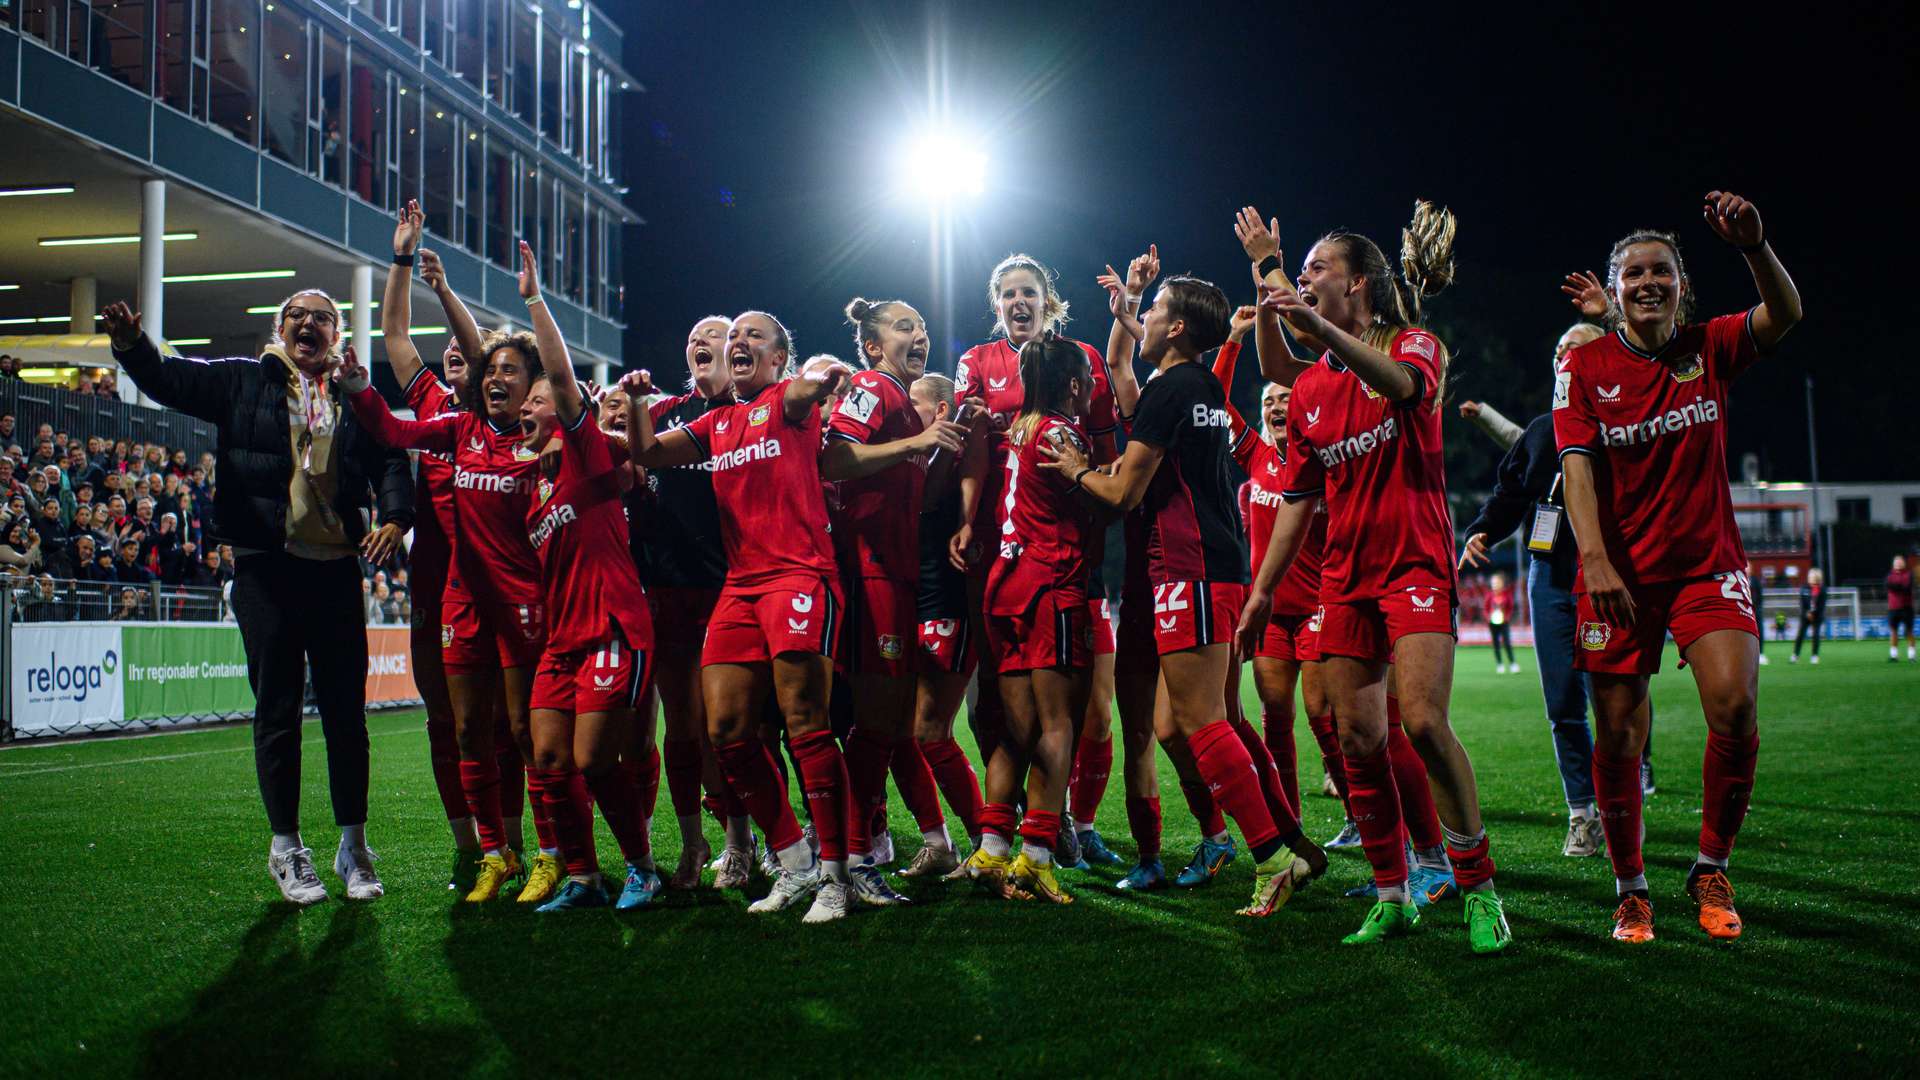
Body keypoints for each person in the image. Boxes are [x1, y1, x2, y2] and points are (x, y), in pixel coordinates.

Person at [1242, 202, 1512, 952]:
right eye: (1301, 272)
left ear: (1358, 283)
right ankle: (1393, 894)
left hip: (1415, 564)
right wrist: (1262, 591)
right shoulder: (1310, 392)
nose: (1305, 278)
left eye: (1317, 268)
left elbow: (1400, 386)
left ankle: (1478, 886)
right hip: (1346, 577)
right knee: (1357, 736)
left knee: (1421, 723)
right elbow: (1298, 498)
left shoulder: (1415, 343)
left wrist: (1312, 326)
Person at [102, 288, 413, 907]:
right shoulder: (244, 381)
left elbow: (392, 462)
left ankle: (353, 847)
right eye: (296, 316)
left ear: (336, 334)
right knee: (277, 711)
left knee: (347, 717)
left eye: (321, 318)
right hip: (264, 568)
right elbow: (169, 380)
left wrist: (395, 518)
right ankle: (286, 849)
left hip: (333, 570)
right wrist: (131, 344)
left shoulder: (356, 397)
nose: (308, 325)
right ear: (280, 327)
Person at [1555, 191, 1802, 943]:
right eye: (1634, 274)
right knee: (1620, 735)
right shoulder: (1584, 364)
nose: (1649, 282)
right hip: (1620, 578)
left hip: (1705, 568)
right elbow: (1577, 467)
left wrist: (1755, 247)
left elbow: (1785, 315)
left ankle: (1710, 866)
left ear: (1682, 284)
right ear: (1616, 288)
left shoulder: (1710, 346)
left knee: (1735, 705)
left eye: (1662, 270)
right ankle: (1631, 889)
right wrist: (1595, 560)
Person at [1046, 269, 1326, 919]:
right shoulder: (1200, 386)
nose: (1142, 321)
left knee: (1201, 722)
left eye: (1153, 313)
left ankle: (1272, 857)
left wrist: (1073, 469)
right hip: (1211, 566)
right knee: (1188, 723)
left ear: (1175, 328)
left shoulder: (1171, 390)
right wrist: (1127, 308)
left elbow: (1122, 495)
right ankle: (1289, 842)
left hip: (1186, 567)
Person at [625, 312, 863, 924]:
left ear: (779, 357)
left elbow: (816, 383)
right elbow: (648, 451)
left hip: (800, 576)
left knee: (806, 724)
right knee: (727, 730)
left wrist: (826, 375)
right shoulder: (716, 422)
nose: (739, 344)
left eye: (754, 337)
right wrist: (633, 403)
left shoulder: (789, 400)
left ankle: (837, 876)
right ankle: (795, 859)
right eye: (735, 338)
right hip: (740, 586)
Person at [345, 238, 557, 906]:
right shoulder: (442, 413)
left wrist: (448, 290)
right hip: (443, 591)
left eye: (493, 363)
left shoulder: (519, 430)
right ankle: (478, 847)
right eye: (469, 360)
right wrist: (403, 263)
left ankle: (538, 847)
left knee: (518, 728)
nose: (476, 368)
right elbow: (396, 340)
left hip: (516, 591)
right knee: (454, 723)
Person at [1462, 320, 1657, 857]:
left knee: (1614, 700)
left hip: (1609, 578)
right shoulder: (1544, 430)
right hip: (1548, 575)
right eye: (1559, 347)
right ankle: (1583, 813)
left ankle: (1628, 796)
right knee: (1562, 704)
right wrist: (1481, 530)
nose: (1564, 354)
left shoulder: (1627, 424)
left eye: (1578, 346)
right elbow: (1510, 493)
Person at [952, 254, 1121, 867]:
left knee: (1088, 712)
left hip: (1055, 560)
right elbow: (971, 450)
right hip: (1020, 558)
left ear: (1050, 301)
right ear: (997, 306)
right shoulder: (977, 362)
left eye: (1030, 292)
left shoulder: (1082, 359)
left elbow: (1104, 448)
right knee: (1018, 709)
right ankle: (1032, 837)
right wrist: (969, 519)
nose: (1019, 302)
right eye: (1008, 294)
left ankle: (1063, 824)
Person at [820, 298, 967, 889]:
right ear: (875, 346)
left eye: (924, 327)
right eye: (905, 326)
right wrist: (916, 443)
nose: (920, 335)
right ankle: (851, 860)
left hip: (898, 575)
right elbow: (835, 457)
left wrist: (943, 442)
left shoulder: (904, 404)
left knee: (887, 726)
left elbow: (915, 495)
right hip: (871, 573)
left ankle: (858, 855)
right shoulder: (872, 388)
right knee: (876, 726)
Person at [904, 373, 989, 872]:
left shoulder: (952, 458)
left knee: (931, 731)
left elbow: (930, 499)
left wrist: (958, 427)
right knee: (902, 733)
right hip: (908, 605)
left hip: (944, 604)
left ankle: (985, 838)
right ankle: (939, 843)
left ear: (939, 411)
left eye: (912, 403)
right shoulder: (906, 450)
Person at [1791, 568, 1826, 664]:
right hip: (1805, 616)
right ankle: (1795, 655)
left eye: (1812, 576)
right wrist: (1807, 613)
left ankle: (1814, 656)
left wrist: (1814, 614)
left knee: (1816, 635)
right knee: (1800, 635)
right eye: (1809, 576)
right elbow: (1802, 603)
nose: (1810, 578)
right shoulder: (1804, 588)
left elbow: (1822, 605)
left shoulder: (1822, 589)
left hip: (1817, 616)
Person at [1487, 573, 1518, 674]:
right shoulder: (1490, 595)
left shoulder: (1506, 595)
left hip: (1504, 623)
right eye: (1493, 582)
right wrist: (1488, 617)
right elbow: (1485, 608)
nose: (1495, 584)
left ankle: (1513, 664)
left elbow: (1511, 607)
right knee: (1496, 644)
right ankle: (1499, 664)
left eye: (1497, 582)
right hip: (1493, 624)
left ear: (1502, 583)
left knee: (1507, 643)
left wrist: (1507, 617)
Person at [1888, 555, 1914, 661]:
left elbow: (1907, 587)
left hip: (1906, 608)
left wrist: (1897, 586)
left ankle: (1911, 656)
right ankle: (1894, 655)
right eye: (1896, 562)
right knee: (1893, 631)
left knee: (1909, 632)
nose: (1898, 563)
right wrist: (1899, 586)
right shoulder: (1889, 575)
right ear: (1893, 564)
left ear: (1904, 563)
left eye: (1900, 561)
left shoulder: (1908, 574)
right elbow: (1888, 585)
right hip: (1893, 608)